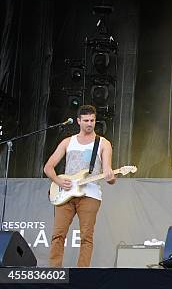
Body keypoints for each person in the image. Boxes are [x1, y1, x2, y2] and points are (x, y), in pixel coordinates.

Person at [43, 105, 115, 267]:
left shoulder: (103, 143)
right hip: (65, 193)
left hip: (90, 195)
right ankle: (54, 271)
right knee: (58, 234)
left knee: (86, 237)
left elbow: (108, 174)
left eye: (92, 120)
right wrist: (58, 180)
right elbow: (48, 167)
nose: (90, 124)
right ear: (78, 121)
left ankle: (82, 274)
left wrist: (110, 176)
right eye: (86, 120)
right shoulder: (68, 142)